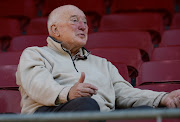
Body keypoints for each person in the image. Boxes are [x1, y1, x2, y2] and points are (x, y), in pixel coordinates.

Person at [16, 5, 180, 114]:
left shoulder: (103, 64)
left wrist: (162, 98)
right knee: (86, 105)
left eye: (85, 22)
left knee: (145, 111)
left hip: (99, 115)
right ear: (55, 30)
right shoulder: (35, 54)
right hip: (50, 113)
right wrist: (68, 93)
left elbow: (126, 93)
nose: (83, 26)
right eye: (75, 21)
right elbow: (37, 85)